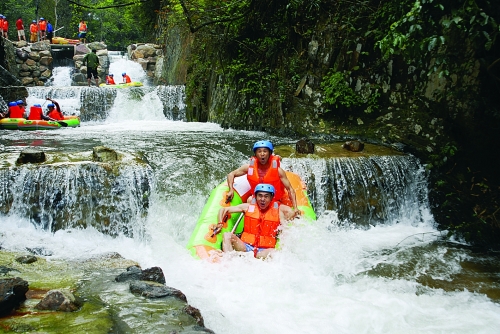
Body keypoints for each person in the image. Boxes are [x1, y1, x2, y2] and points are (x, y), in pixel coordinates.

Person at [218, 184, 297, 258]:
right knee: (227, 235)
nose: (262, 199)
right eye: (260, 196)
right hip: (245, 247)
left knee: (275, 254)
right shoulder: (247, 207)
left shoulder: (278, 212)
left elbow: (285, 229)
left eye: (266, 196)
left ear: (271, 198)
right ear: (255, 196)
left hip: (263, 251)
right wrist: (220, 223)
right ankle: (230, 261)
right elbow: (223, 209)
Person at [225, 140, 300, 216]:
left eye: (265, 151)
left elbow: (290, 189)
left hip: (274, 200)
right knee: (250, 200)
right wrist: (231, 190)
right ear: (256, 154)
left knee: (289, 213)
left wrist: (295, 207)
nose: (262, 154)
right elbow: (231, 174)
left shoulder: (278, 171)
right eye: (259, 151)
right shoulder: (248, 167)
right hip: (258, 199)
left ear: (270, 154)